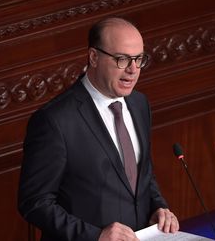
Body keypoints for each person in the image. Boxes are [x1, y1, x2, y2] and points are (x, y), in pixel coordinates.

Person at [18, 17, 179, 241]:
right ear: (94, 57)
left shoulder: (139, 103)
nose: (133, 70)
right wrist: (96, 236)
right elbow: (35, 202)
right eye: (122, 59)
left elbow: (142, 174)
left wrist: (158, 208)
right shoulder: (54, 120)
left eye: (139, 59)